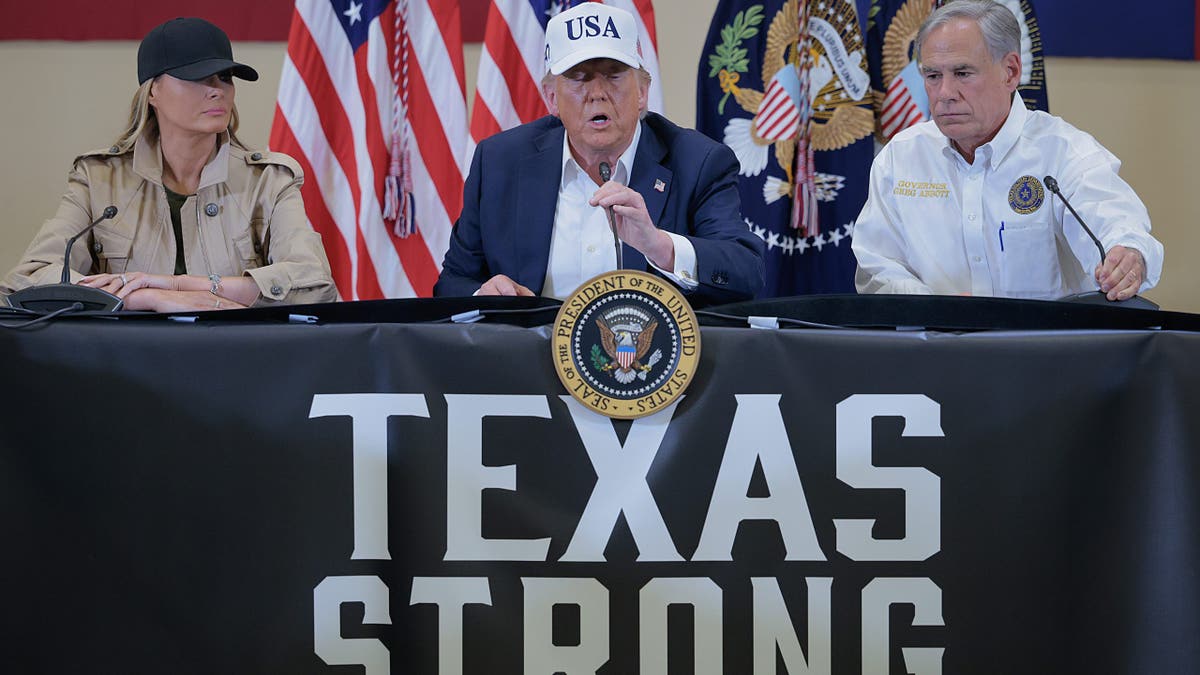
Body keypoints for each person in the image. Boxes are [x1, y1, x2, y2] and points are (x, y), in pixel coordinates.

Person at [434, 3, 764, 306]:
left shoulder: (698, 161)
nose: (597, 94)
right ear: (551, 99)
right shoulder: (500, 162)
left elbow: (745, 272)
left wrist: (660, 246)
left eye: (614, 75)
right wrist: (485, 293)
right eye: (579, 78)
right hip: (531, 362)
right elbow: (452, 283)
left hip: (653, 362)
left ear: (643, 93)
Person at [1, 17, 337, 311]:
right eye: (198, 76)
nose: (217, 90)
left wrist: (183, 286)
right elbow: (29, 279)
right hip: (124, 367)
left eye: (225, 77)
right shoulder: (99, 178)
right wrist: (143, 298)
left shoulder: (270, 180)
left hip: (238, 362)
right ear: (152, 92)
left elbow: (316, 285)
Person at [851, 0, 1163, 301]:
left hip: (1044, 352)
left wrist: (1128, 256)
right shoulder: (899, 158)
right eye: (932, 76)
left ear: (1011, 71)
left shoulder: (1064, 153)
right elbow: (876, 268)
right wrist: (940, 310)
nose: (945, 93)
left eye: (963, 74)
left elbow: (1118, 225)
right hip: (935, 348)